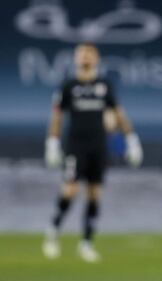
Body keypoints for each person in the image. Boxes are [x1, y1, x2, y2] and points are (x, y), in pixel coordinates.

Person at [43, 43, 143, 262]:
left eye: (90, 54)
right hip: (75, 146)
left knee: (95, 194)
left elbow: (118, 114)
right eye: (82, 54)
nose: (86, 57)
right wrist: (52, 142)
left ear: (96, 59)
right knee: (69, 190)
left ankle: (86, 243)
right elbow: (58, 116)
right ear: (76, 58)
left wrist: (131, 139)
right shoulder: (68, 85)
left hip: (98, 146)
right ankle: (53, 232)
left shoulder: (105, 85)